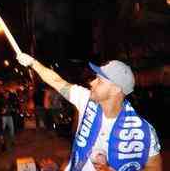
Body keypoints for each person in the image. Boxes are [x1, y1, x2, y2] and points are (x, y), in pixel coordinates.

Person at [17, 53, 162, 171]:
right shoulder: (86, 99)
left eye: (99, 80)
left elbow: (155, 167)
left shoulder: (144, 131)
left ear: (116, 89)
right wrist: (33, 62)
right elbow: (57, 81)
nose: (92, 82)